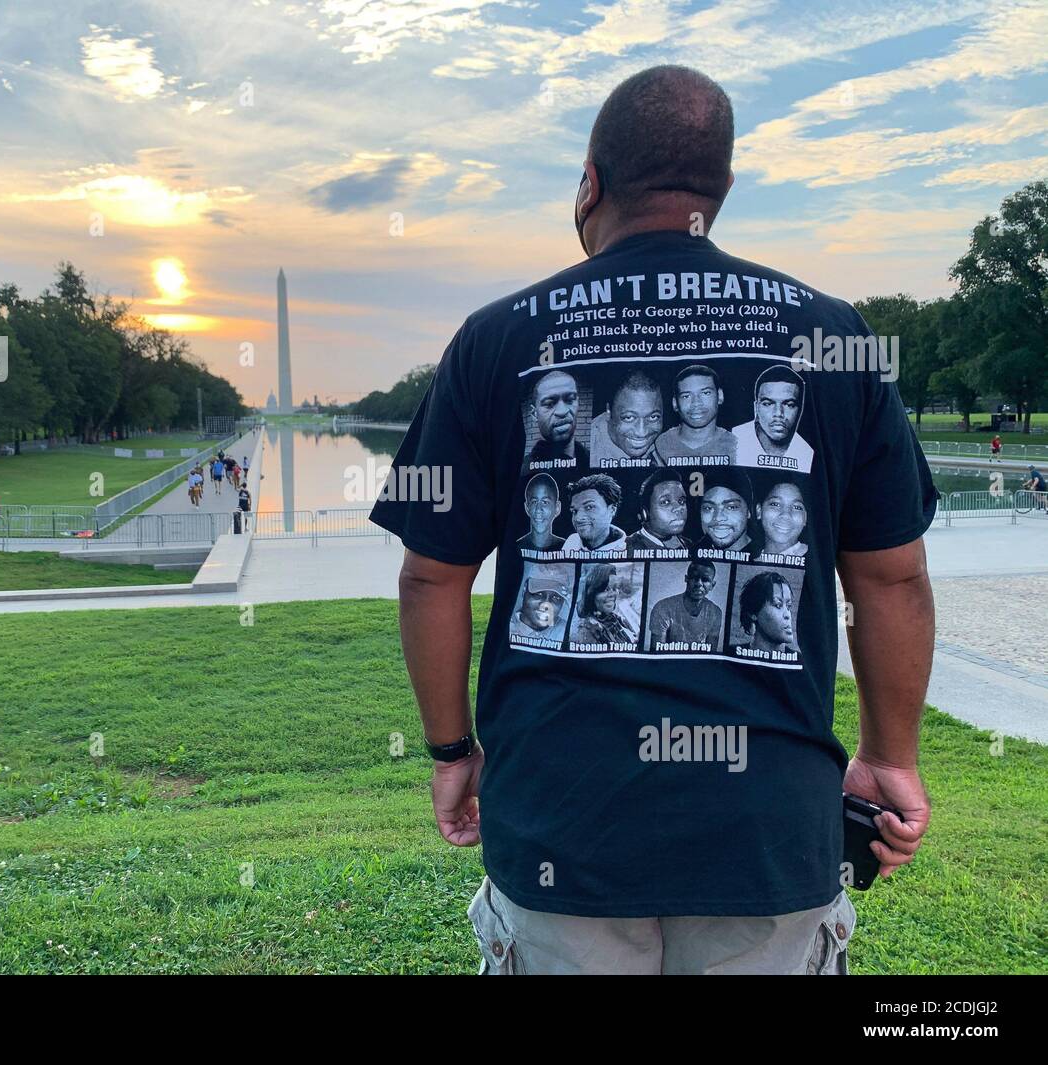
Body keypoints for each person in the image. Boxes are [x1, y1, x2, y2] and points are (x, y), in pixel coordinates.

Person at [369, 64, 937, 975]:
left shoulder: (494, 338)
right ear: (721, 187)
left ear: (590, 183)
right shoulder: (837, 336)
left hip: (565, 819)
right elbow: (893, 575)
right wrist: (889, 756)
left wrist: (450, 749)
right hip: (768, 831)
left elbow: (431, 574)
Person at [733, 366, 813, 473]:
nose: (778, 413)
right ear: (756, 407)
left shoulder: (807, 453)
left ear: (800, 409)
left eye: (789, 405)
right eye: (768, 404)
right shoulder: (733, 439)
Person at [654, 364, 738, 465]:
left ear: (720, 396)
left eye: (705, 393)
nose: (696, 403)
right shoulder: (659, 445)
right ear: (675, 403)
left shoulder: (736, 445)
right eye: (686, 396)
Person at [645, 560, 723, 651]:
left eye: (705, 580)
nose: (698, 583)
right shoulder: (662, 608)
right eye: (694, 577)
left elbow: (710, 655)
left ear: (712, 585)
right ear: (686, 579)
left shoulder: (715, 613)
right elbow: (656, 654)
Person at [589, 372, 664, 467]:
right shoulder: (588, 454)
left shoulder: (667, 443)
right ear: (609, 412)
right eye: (629, 418)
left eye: (653, 417)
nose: (641, 433)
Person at [523, 370, 589, 472]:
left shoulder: (590, 460)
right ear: (534, 414)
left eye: (570, 400)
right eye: (549, 404)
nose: (562, 411)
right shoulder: (525, 470)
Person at [571, 563, 640, 646]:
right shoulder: (585, 631)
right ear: (591, 593)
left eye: (615, 588)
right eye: (605, 589)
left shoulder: (614, 618)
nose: (613, 594)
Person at [561, 474, 626, 554]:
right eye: (574, 511)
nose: (578, 518)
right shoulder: (572, 542)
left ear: (612, 510)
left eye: (589, 507)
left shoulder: (628, 551)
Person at [626, 468, 689, 550]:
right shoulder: (626, 548)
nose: (678, 508)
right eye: (666, 502)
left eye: (681, 501)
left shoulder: (688, 545)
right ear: (645, 513)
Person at [736, 571, 797, 654]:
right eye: (778, 605)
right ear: (753, 612)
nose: (787, 615)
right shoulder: (732, 653)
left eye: (789, 606)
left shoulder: (800, 660)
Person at [699, 468, 754, 552]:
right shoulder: (691, 553)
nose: (718, 517)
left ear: (749, 511)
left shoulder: (764, 555)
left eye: (731, 507)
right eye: (708, 508)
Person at [508, 570, 570, 642]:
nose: (546, 605)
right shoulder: (505, 628)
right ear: (524, 590)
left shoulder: (566, 630)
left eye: (556, 598)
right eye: (539, 594)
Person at [757, 482, 808, 557]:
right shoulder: (748, 563)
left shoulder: (819, 561)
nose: (786, 515)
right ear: (759, 511)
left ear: (805, 518)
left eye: (797, 507)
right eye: (776, 504)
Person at [516, 474, 565, 551]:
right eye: (534, 502)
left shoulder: (568, 548)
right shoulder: (515, 547)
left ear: (557, 508)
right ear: (527, 508)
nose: (538, 509)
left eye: (545, 502)